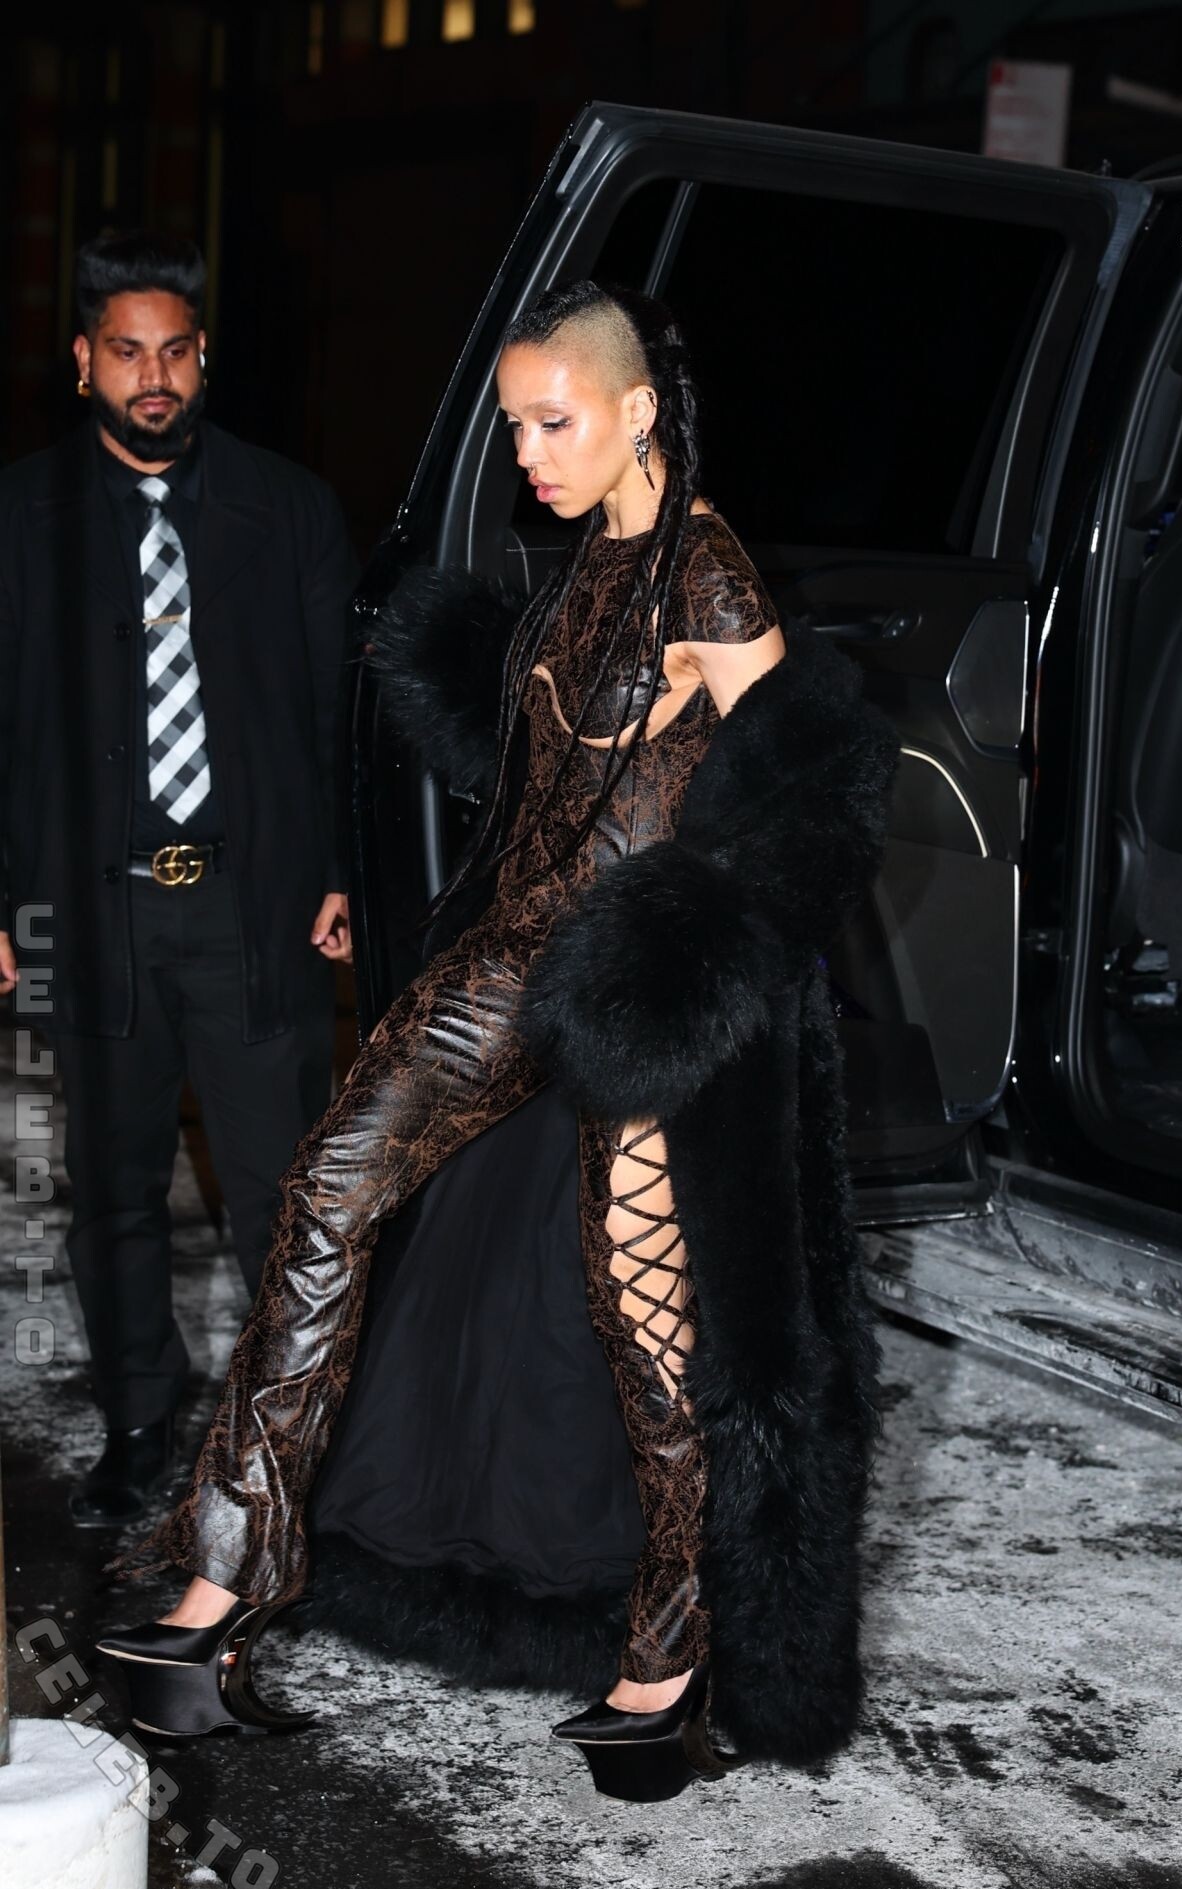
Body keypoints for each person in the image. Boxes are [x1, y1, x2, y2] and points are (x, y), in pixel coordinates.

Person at [98, 280, 901, 1800]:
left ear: (636, 411)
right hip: (501, 967)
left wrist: (693, 981)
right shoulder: (580, 557)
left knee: (646, 1320)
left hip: (629, 992)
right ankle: (213, 1597)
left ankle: (664, 1665)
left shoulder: (709, 575)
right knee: (326, 1199)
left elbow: (802, 815)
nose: (529, 454)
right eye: (516, 426)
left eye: (553, 422)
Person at [0, 232, 358, 1527]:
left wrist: (342, 872)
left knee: (283, 1193)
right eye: (126, 353)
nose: (152, 378)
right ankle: (141, 1424)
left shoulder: (288, 508)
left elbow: (337, 708)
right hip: (84, 908)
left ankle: (287, 1441)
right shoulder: (22, 516)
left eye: (173, 353)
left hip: (253, 906)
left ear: (203, 358)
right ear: (84, 361)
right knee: (113, 1190)